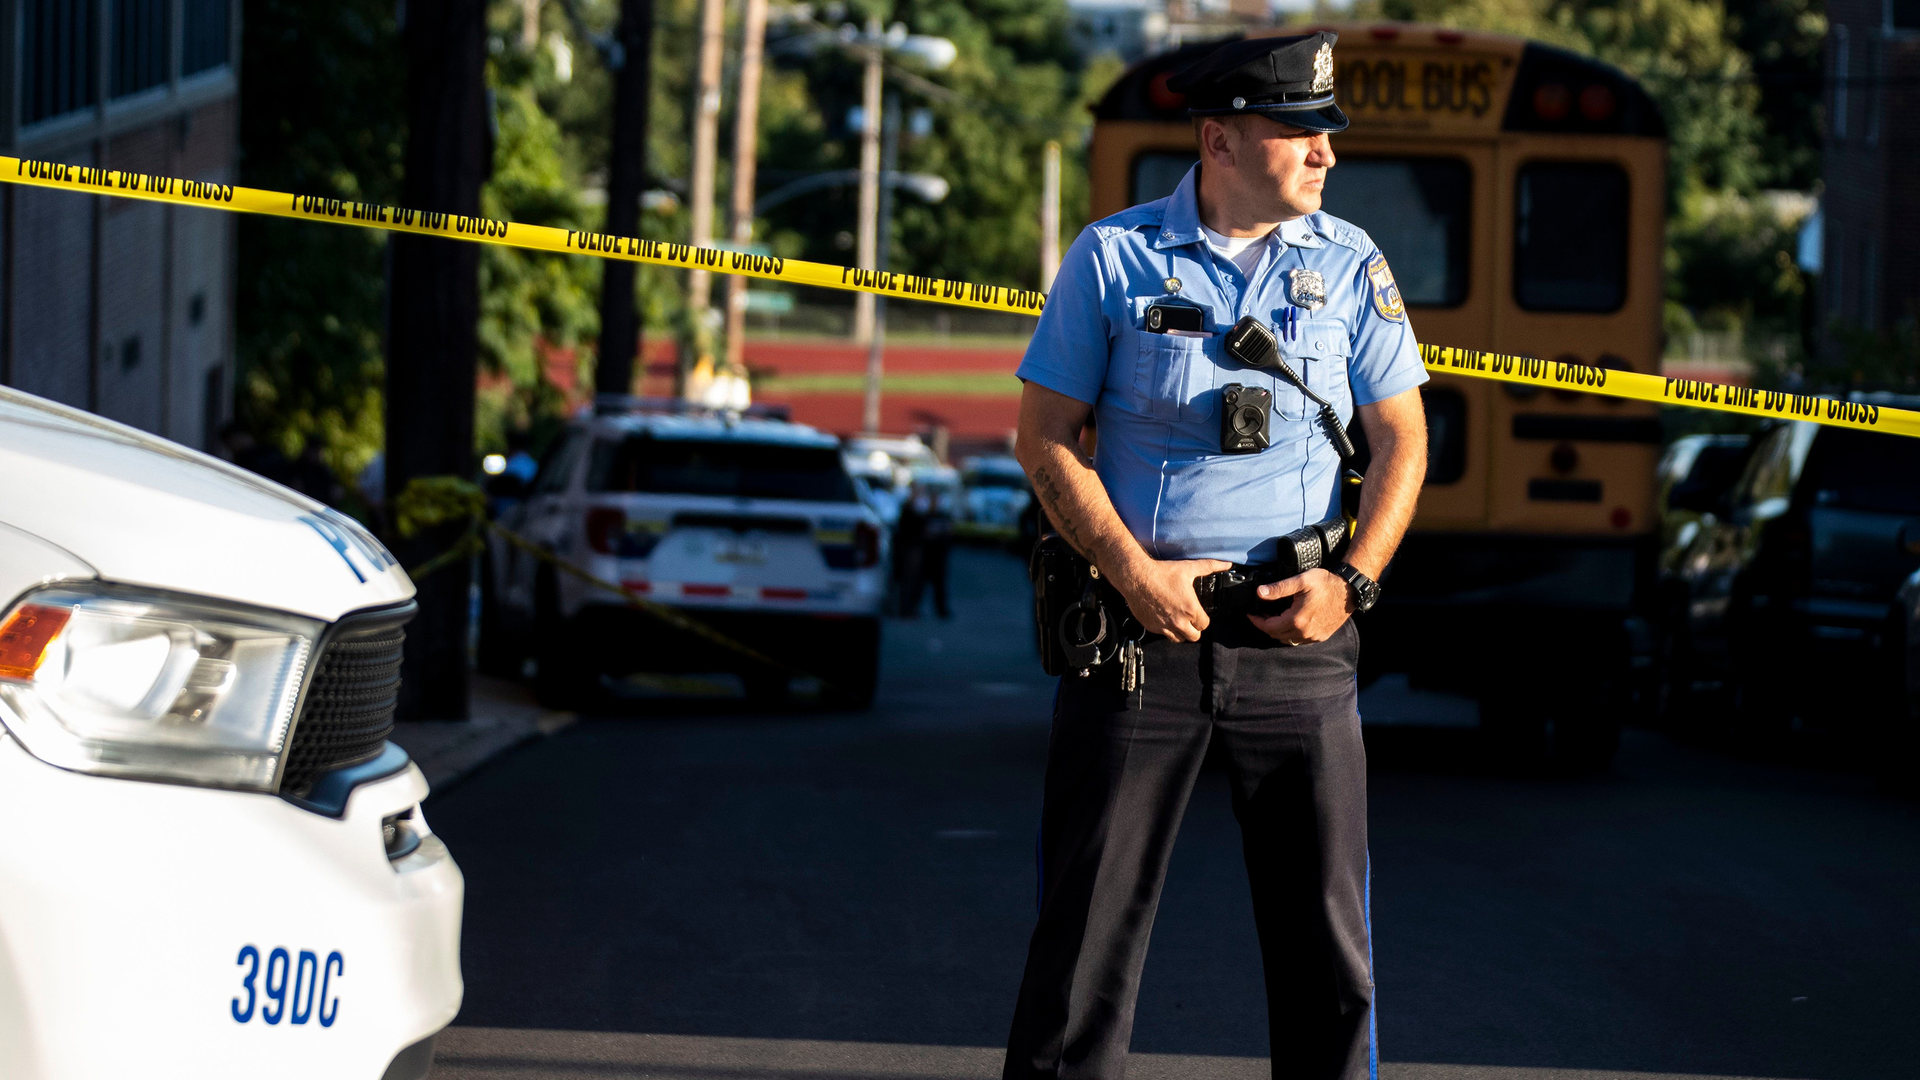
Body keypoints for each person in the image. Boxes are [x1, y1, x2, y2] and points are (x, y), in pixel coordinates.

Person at [1002, 30, 1429, 1080]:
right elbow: (1043, 437)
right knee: (1084, 949)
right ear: (1219, 139)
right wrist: (1130, 573)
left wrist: (1354, 583)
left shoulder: (1352, 263)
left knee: (1330, 956)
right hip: (1143, 639)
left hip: (1301, 638)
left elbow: (1404, 438)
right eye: (1298, 132)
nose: (1325, 154)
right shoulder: (1112, 258)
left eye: (1327, 134)